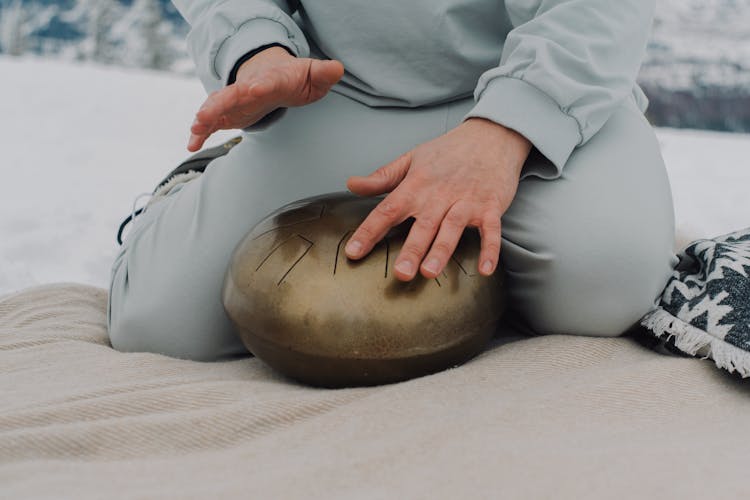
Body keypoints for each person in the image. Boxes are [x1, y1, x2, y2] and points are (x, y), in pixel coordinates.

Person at [107, 0, 678, 361]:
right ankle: (197, 186)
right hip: (338, 94)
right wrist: (258, 48)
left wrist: (504, 131)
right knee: (157, 325)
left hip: (541, 95)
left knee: (610, 289)